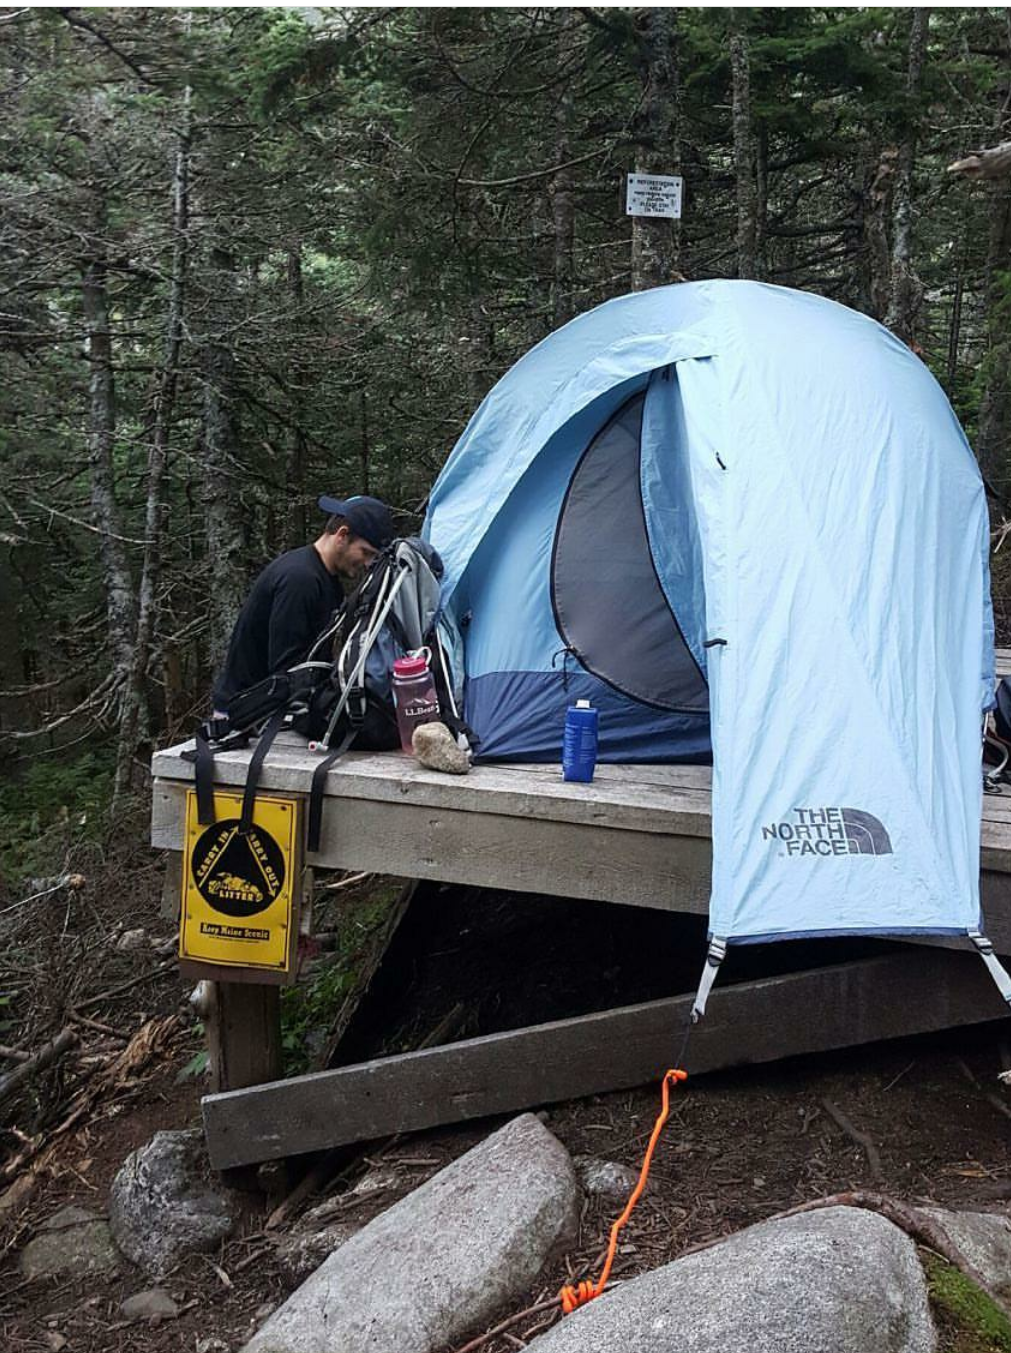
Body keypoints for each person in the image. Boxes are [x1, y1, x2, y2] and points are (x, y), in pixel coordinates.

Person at [211, 494, 394, 716]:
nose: (367, 564)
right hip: (247, 714)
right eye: (365, 552)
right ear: (342, 535)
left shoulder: (326, 579)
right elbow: (287, 670)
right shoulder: (300, 579)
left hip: (271, 707)